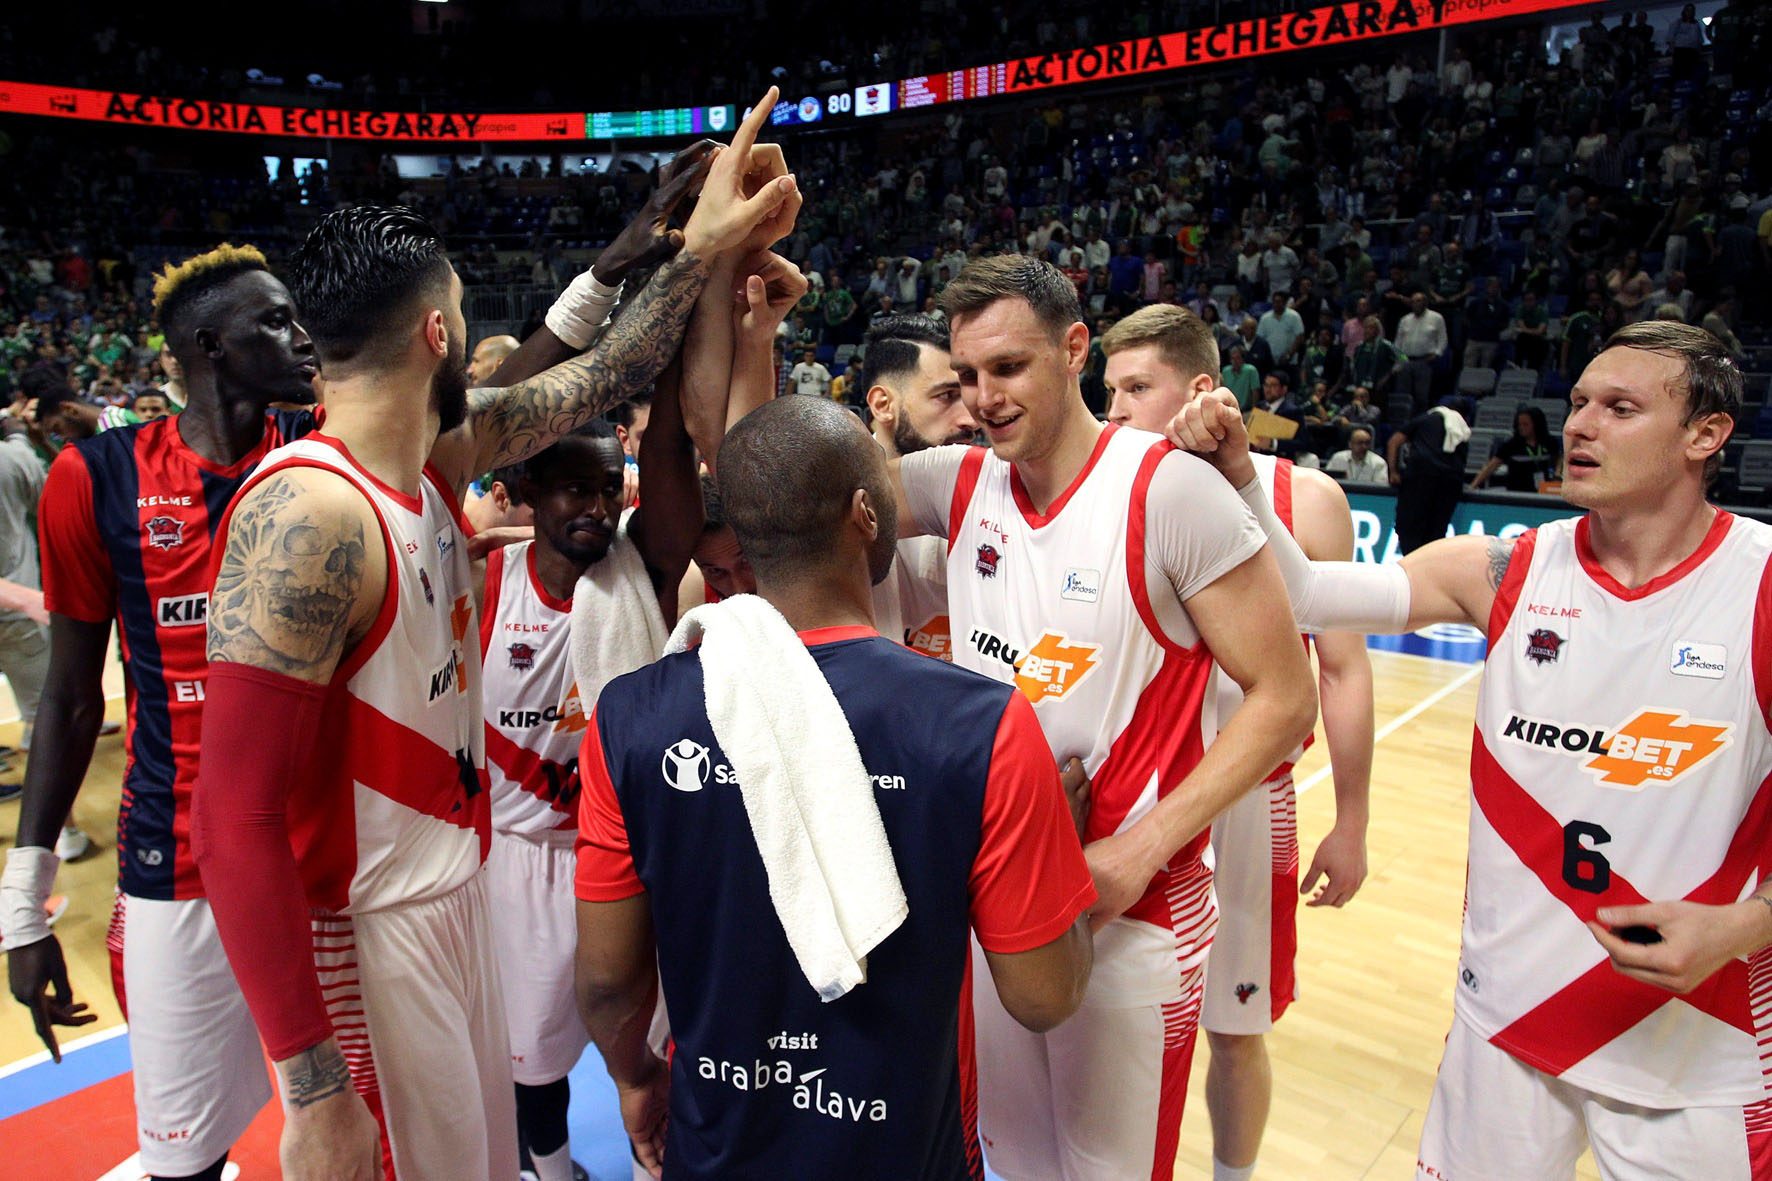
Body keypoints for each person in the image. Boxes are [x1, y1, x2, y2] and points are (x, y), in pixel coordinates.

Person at [189, 92, 795, 1180]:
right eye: (462, 315)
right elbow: (228, 818)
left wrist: (686, 251)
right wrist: (312, 1081)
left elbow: (599, 373)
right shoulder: (308, 513)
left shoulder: (437, 461)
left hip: (451, 888)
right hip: (363, 931)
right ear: (438, 332)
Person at [1169, 319, 1772, 1181]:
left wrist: (1744, 927)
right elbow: (1304, 592)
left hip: (1693, 1048)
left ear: (1705, 436)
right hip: (1504, 1031)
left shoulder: (1759, 585)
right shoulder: (1503, 568)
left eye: (1621, 407)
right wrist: (1239, 475)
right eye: (1578, 403)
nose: (1581, 425)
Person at [575, 394, 1095, 1178]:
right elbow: (1044, 996)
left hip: (713, 1144)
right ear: (863, 512)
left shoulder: (630, 715)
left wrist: (635, 1073)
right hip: (901, 1150)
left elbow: (611, 981)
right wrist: (1070, 862)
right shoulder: (981, 724)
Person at [891, 255, 1317, 1180]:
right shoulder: (959, 485)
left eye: (1008, 368)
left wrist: (1140, 848)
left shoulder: (1170, 490)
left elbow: (1288, 697)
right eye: (966, 377)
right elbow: (787, 491)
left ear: (1074, 347)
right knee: (1017, 1162)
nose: (984, 399)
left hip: (1136, 909)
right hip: (1000, 896)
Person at [3, 244, 320, 1181]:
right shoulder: (94, 476)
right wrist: (24, 913)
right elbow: (65, 700)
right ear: (210, 345)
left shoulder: (324, 447)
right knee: (186, 1155)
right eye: (275, 321)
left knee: (372, 1128)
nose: (301, 337)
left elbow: (486, 400)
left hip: (332, 848)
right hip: (175, 853)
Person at [1100, 303, 1373, 1181]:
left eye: (1137, 388)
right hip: (1140, 795)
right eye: (1109, 389)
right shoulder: (1106, 488)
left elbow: (1342, 669)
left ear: (1204, 389)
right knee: (1115, 1014)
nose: (1115, 410)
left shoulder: (1310, 497)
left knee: (1235, 1023)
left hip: (1248, 798)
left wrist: (1355, 818)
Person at [481, 402, 699, 1180]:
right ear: (529, 488)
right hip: (522, 863)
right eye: (576, 488)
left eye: (611, 486)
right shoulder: (483, 583)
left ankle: (654, 1165)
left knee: (657, 1041)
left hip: (625, 854)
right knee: (531, 1060)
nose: (598, 507)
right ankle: (551, 1168)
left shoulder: (634, 571)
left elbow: (673, 495)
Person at [1386, 396, 1471, 554]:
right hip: (1449, 483)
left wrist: (1393, 472)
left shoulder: (1425, 419)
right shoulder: (1463, 428)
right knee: (1436, 534)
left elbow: (1394, 441)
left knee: (1408, 529)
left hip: (1420, 478)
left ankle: (1411, 567)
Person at [1471, 405, 1562, 492]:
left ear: (1536, 424)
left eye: (1525, 424)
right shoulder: (1511, 445)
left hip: (1541, 492)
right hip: (1516, 492)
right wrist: (1473, 485)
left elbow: (1560, 459)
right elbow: (1492, 466)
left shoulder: (1549, 442)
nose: (1521, 428)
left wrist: (1557, 476)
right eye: (1519, 425)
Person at [1392, 291, 1448, 420]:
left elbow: (1442, 340)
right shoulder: (1405, 319)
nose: (1416, 304)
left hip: (1425, 361)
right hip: (1406, 361)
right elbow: (1398, 342)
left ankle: (1420, 420)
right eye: (1413, 301)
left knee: (1421, 396)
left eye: (1419, 301)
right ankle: (1402, 420)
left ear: (1425, 302)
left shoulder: (1436, 318)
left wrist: (1437, 354)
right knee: (1403, 395)